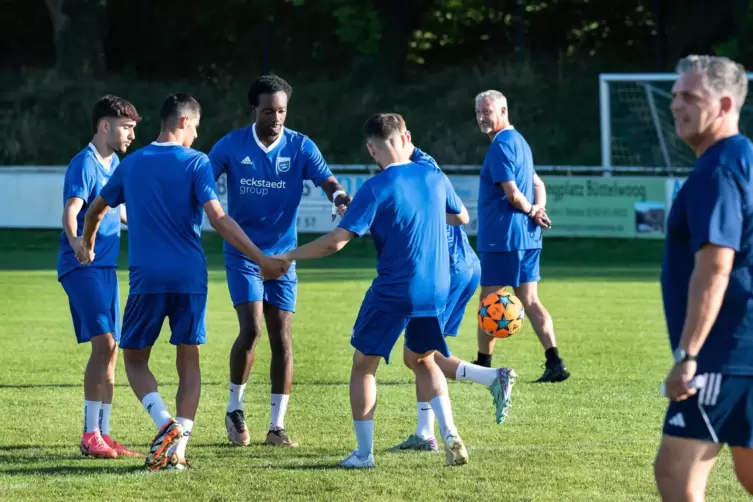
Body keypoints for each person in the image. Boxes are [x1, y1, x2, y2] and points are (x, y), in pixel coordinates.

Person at [78, 93, 283, 472]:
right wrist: (261, 258)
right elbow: (220, 219)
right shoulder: (196, 163)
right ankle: (179, 450)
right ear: (185, 123)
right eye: (197, 128)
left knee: (135, 360)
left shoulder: (133, 163)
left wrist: (86, 242)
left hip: (147, 278)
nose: (196, 136)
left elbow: (95, 210)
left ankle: (164, 422)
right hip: (190, 276)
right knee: (189, 361)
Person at [270, 112, 470, 468]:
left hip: (396, 288)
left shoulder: (376, 187)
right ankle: (451, 432)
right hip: (437, 287)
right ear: (405, 137)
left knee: (364, 365)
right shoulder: (433, 176)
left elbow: (335, 243)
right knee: (424, 360)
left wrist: (287, 256)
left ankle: (363, 454)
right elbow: (461, 217)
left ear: (371, 149)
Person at [209, 74, 351, 448]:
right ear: (253, 109)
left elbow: (329, 181)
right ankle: (235, 407)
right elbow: (202, 182)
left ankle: (277, 426)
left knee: (281, 338)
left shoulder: (301, 147)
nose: (276, 117)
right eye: (269, 110)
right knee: (252, 329)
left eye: (282, 110)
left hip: (284, 256)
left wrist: (338, 197)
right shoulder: (230, 145)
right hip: (243, 253)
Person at [655, 55, 753, 501]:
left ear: (726, 104)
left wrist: (689, 354)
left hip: (722, 351)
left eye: (690, 97)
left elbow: (716, 266)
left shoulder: (717, 170)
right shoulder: (743, 158)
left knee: (676, 474)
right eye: (675, 95)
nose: (676, 105)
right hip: (743, 348)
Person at [388, 117, 517, 453]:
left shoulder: (418, 168)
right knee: (421, 354)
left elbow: (452, 215)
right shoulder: (420, 165)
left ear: (405, 139)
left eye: (389, 145)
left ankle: (490, 380)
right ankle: (424, 432)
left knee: (419, 357)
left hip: (446, 271)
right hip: (461, 266)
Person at [57, 95, 142, 459]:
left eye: (134, 129)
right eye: (126, 128)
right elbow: (72, 210)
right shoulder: (84, 164)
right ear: (104, 126)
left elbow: (119, 213)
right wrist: (77, 241)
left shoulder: (117, 163)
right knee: (104, 345)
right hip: (82, 266)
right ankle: (90, 434)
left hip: (106, 267)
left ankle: (104, 434)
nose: (131, 135)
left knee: (113, 351)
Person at [473, 90, 569, 383]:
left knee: (488, 302)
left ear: (503, 111)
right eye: (478, 112)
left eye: (487, 111)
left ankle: (482, 366)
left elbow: (513, 194)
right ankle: (555, 362)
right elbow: (537, 183)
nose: (481, 117)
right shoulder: (520, 142)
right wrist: (538, 209)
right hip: (526, 237)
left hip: (504, 238)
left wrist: (530, 210)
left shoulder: (501, 145)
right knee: (529, 299)